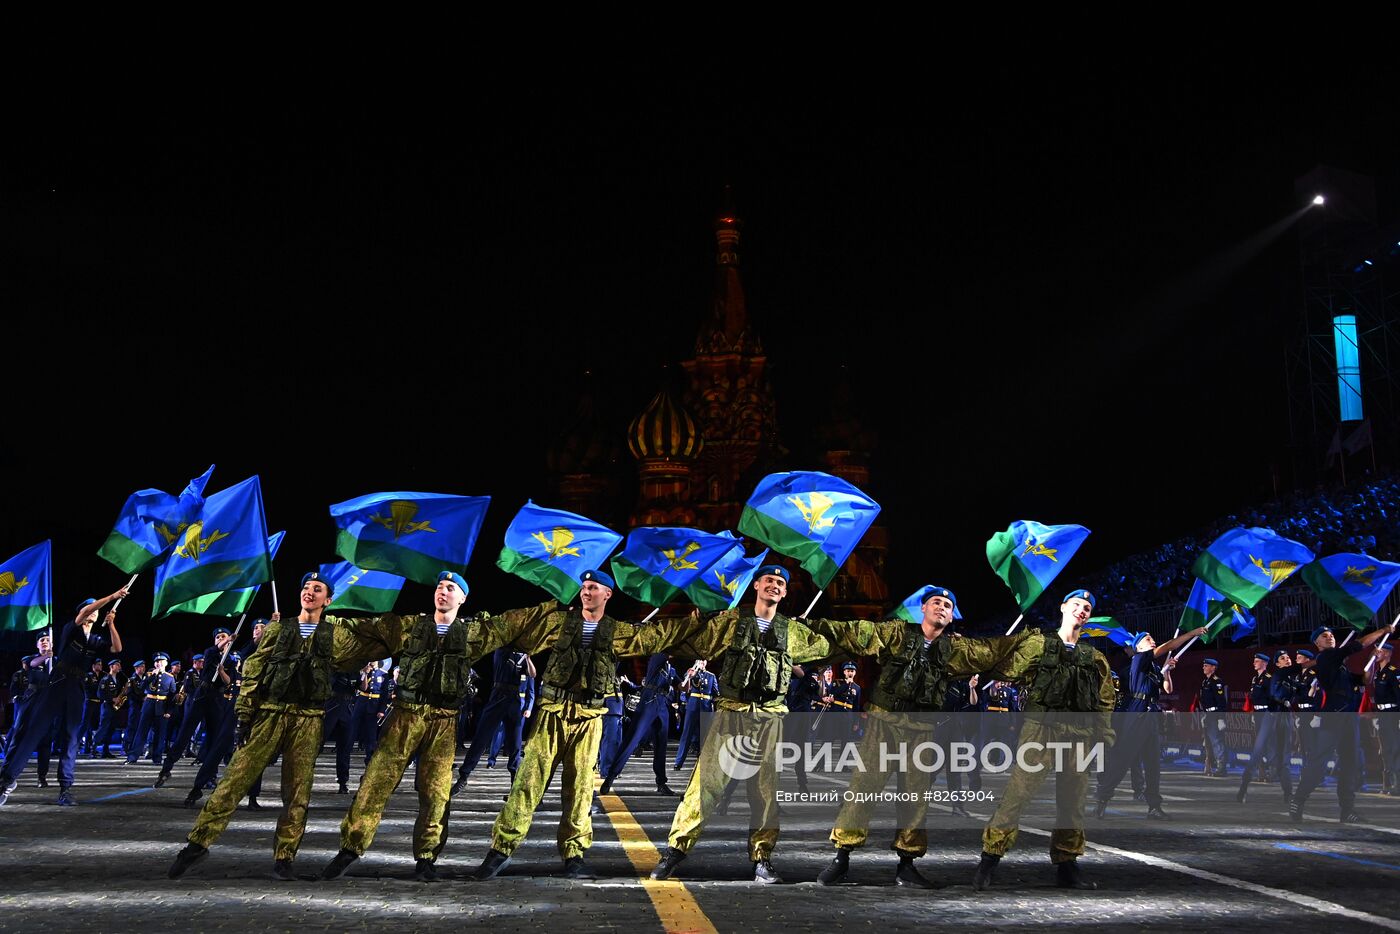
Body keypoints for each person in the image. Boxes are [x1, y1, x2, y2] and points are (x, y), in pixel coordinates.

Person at [468, 569, 709, 882]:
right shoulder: (558, 623)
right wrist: (546, 605)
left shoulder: (617, 632)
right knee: (528, 782)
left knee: (580, 787)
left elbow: (657, 636)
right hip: (553, 713)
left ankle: (574, 855)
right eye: (583, 587)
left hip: (590, 716)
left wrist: (695, 616)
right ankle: (500, 850)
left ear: (607, 594)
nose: (586, 592)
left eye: (593, 588)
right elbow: (517, 629)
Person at [167, 571, 406, 880]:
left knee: (297, 794)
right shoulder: (278, 630)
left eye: (317, 589)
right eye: (306, 586)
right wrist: (243, 715)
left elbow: (371, 647)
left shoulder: (335, 634)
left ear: (328, 600)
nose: (309, 592)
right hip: (270, 713)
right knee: (233, 782)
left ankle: (285, 856)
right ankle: (198, 844)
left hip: (308, 719)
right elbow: (254, 671)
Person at [647, 565, 858, 885]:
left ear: (785, 593)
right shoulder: (733, 623)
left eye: (781, 583)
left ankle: (762, 857)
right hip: (731, 713)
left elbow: (833, 645)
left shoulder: (793, 631)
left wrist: (814, 629)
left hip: (770, 717)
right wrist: (697, 619)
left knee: (765, 793)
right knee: (705, 786)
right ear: (756, 585)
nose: (774, 585)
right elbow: (693, 643)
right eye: (769, 580)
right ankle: (675, 851)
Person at [808, 585, 1003, 888]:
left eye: (947, 606)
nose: (941, 607)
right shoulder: (897, 634)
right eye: (936, 602)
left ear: (951, 618)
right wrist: (812, 625)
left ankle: (906, 864)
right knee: (864, 787)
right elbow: (857, 633)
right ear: (922, 609)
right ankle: (842, 857)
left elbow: (993, 654)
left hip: (922, 729)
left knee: (915, 796)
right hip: (885, 720)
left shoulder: (954, 650)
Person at [971, 589, 1117, 892]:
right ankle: (989, 859)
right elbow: (1009, 669)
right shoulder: (1039, 645)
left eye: (1087, 607)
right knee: (1017, 795)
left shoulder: (1095, 658)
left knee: (1073, 802)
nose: (1082, 610)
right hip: (1041, 730)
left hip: (1079, 736)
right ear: (1063, 607)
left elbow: (1105, 700)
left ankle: (1067, 865)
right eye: (1076, 604)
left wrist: (1104, 736)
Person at [0, 587, 127, 807]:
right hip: (57, 683)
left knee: (71, 738)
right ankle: (7, 780)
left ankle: (65, 788)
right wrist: (112, 597)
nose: (93, 613)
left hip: (76, 688)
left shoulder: (96, 640)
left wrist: (112, 623)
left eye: (96, 611)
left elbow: (117, 648)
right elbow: (86, 610)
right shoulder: (71, 629)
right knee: (33, 732)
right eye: (91, 608)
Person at [1092, 624, 1206, 819]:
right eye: (1147, 639)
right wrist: (1192, 634)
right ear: (1139, 647)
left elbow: (1167, 690)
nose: (1151, 640)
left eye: (1151, 637)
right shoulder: (1140, 658)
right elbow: (1167, 646)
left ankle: (1154, 806)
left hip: (1151, 713)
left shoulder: (1152, 667)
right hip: (1136, 714)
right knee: (1122, 761)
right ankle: (1102, 798)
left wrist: (1167, 671)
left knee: (1153, 764)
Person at [1290, 622, 1395, 823]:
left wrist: (1372, 660)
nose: (1329, 637)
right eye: (1324, 636)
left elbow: (1365, 680)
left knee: (1350, 765)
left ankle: (1347, 810)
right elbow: (1357, 645)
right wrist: (1383, 631)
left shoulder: (1341, 666)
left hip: (1348, 718)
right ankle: (1298, 799)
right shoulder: (1327, 657)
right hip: (1333, 716)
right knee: (1319, 764)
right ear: (1317, 644)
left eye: (1331, 635)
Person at [598, 652, 679, 796]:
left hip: (662, 704)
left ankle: (661, 782)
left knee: (661, 745)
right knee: (631, 739)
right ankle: (610, 778)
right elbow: (667, 649)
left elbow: (683, 687)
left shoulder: (671, 670)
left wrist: (691, 675)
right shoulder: (657, 658)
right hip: (649, 700)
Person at [1236, 651, 1294, 803]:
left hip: (1281, 718)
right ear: (1277, 664)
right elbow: (1271, 695)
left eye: (1288, 658)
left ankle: (1288, 793)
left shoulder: (1288, 678)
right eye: (1283, 658)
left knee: (1281, 756)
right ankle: (1243, 789)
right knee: (1258, 751)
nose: (1287, 660)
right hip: (1267, 716)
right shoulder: (1268, 678)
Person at [127, 652, 176, 764]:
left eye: (161, 661)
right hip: (149, 704)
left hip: (162, 706)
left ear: (166, 663)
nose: (158, 663)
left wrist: (169, 711)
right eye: (157, 661)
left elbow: (172, 696)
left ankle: (157, 758)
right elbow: (140, 688)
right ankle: (132, 757)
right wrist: (152, 676)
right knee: (141, 731)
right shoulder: (149, 674)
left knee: (160, 734)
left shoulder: (170, 677)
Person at [674, 659, 717, 771]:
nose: (701, 664)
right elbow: (685, 686)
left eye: (703, 662)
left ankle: (706, 763)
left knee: (706, 735)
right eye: (699, 662)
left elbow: (716, 693)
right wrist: (691, 673)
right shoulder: (691, 672)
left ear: (706, 663)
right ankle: (678, 762)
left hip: (706, 707)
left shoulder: (711, 676)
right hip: (692, 706)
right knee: (687, 733)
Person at [1368, 642, 1397, 796]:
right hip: (1382, 715)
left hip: (1393, 714)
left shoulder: (1393, 672)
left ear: (1387, 654)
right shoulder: (1378, 672)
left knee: (1395, 749)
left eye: (1380, 650)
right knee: (1385, 750)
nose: (1376, 653)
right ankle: (1387, 784)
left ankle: (1396, 784)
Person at [1197, 658, 1229, 776]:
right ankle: (1211, 765)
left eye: (1206, 665)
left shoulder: (1217, 682)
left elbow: (1221, 701)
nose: (1203, 667)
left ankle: (1222, 767)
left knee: (1217, 741)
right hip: (1208, 714)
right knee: (1208, 742)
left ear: (1213, 667)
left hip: (1216, 715)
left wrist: (1221, 718)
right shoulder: (1205, 682)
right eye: (1204, 665)